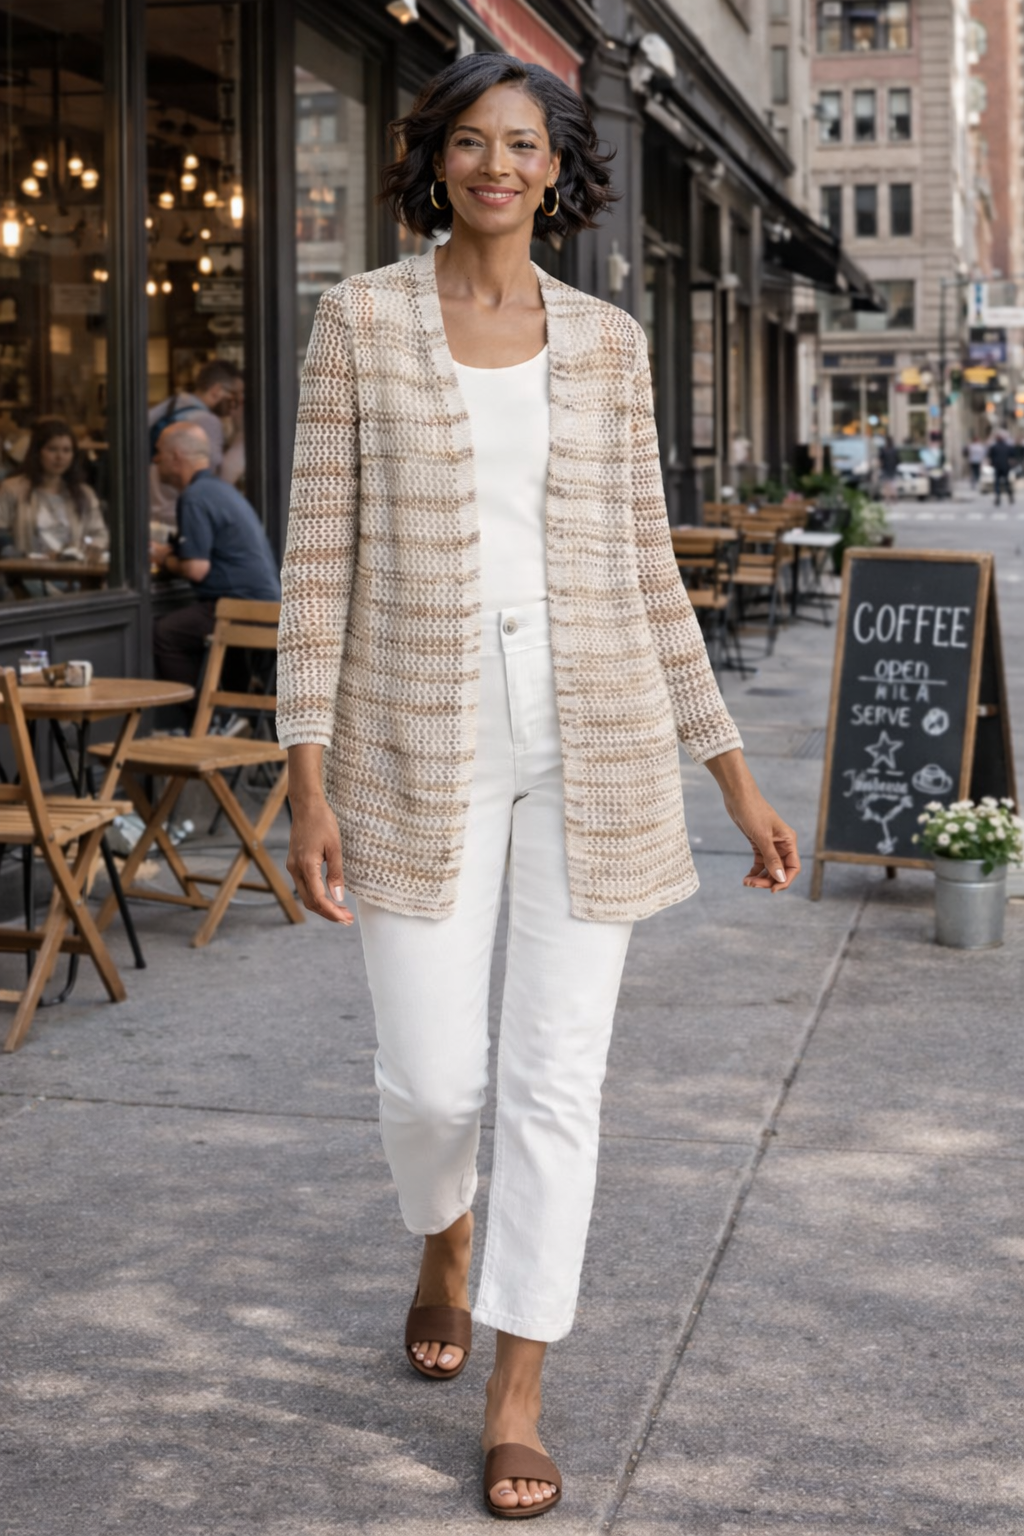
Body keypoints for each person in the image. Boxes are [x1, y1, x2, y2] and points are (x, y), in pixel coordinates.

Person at [276, 53, 800, 1522]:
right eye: (470, 141)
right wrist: (303, 778)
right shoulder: (359, 322)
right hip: (407, 742)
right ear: (434, 158)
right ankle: (443, 1236)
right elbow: (317, 566)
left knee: (558, 1085)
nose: (496, 164)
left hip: (599, 745)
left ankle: (521, 1387)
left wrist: (733, 776)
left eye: (524, 144)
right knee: (430, 1079)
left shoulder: (610, 343)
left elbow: (647, 573)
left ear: (558, 169)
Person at [150, 422, 280, 705]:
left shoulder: (194, 497)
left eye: (159, 452)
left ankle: (198, 720)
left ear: (176, 457)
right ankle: (228, 714)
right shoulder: (220, 490)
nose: (154, 459)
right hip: (266, 607)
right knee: (208, 634)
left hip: (240, 607)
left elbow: (197, 569)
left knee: (166, 633)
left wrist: (162, 557)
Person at [0, 416, 109, 563]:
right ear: (37, 452)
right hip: (26, 574)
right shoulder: (11, 488)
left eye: (66, 450)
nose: (60, 457)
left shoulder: (84, 493)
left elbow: (100, 533)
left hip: (75, 572)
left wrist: (92, 549)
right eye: (52, 449)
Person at [148, 360, 243, 528]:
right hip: (179, 515)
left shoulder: (172, 404)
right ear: (216, 390)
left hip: (153, 511)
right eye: (233, 396)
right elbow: (213, 480)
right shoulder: (208, 421)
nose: (233, 406)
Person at [988, 428, 1015, 506]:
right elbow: (1012, 456)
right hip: (1005, 466)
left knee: (997, 483)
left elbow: (990, 457)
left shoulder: (994, 447)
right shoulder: (1008, 446)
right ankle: (1010, 496)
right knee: (1006, 482)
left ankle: (998, 497)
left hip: (997, 466)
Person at [878, 433, 899, 501]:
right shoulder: (894, 450)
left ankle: (887, 497)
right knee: (893, 483)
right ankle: (893, 495)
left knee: (886, 484)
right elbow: (898, 460)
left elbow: (880, 459)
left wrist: (881, 466)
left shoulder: (883, 449)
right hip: (892, 468)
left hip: (885, 468)